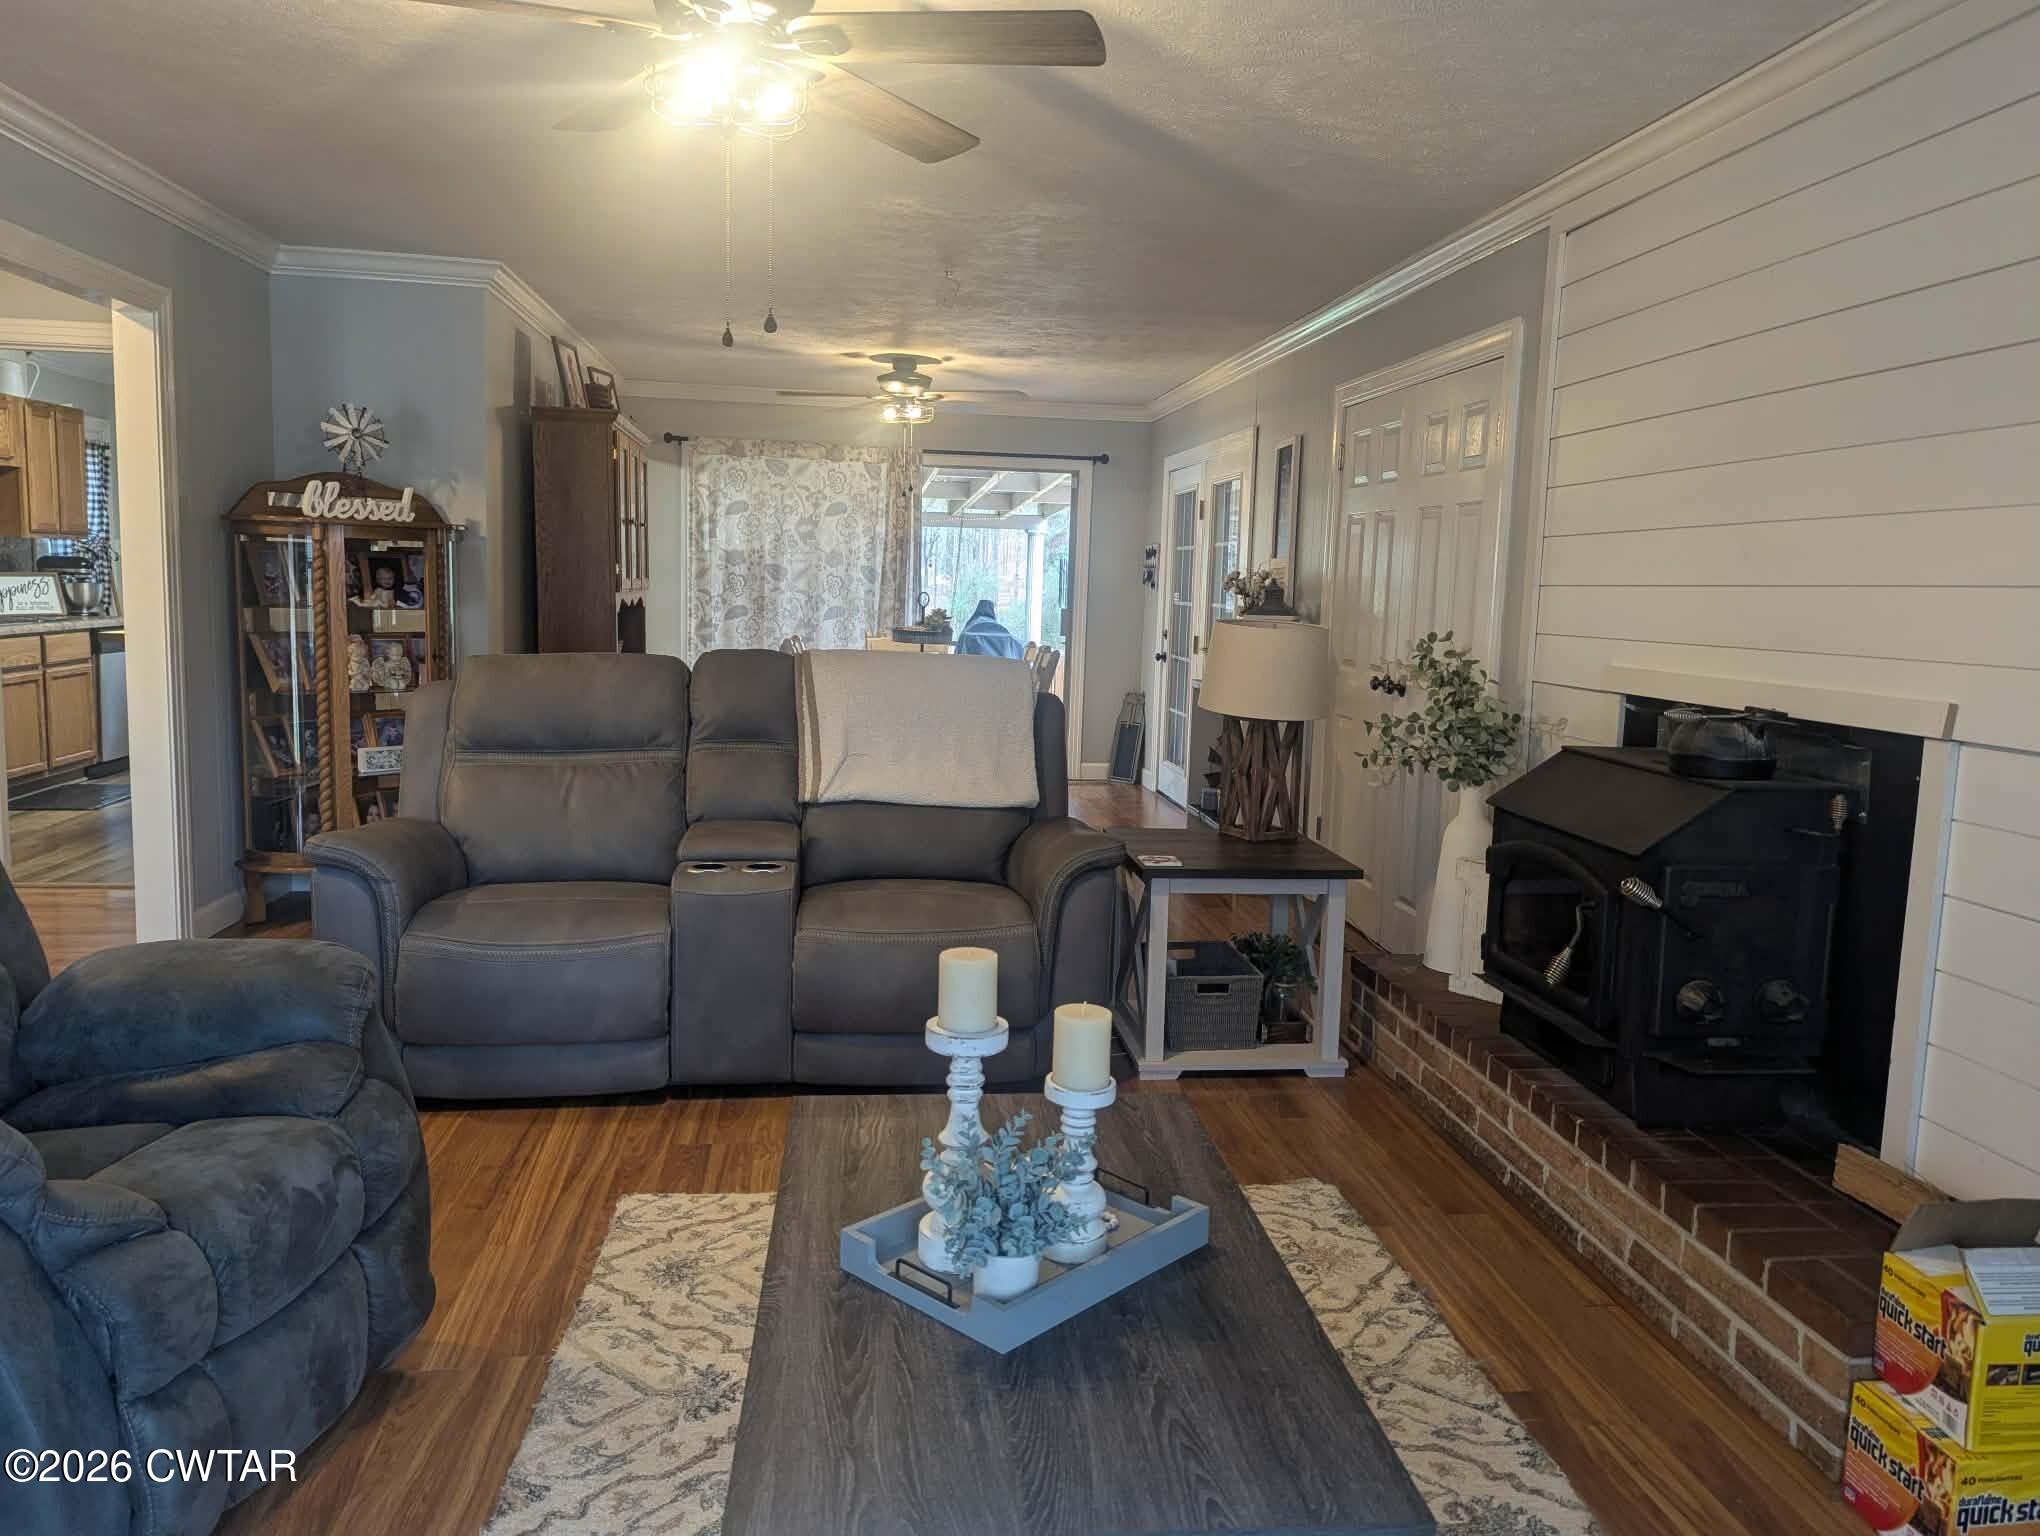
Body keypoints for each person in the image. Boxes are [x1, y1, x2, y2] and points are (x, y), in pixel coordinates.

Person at [954, 599, 1024, 659]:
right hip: (999, 671)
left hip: (971, 671)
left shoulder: (968, 630)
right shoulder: (1001, 631)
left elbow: (958, 653)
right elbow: (1017, 648)